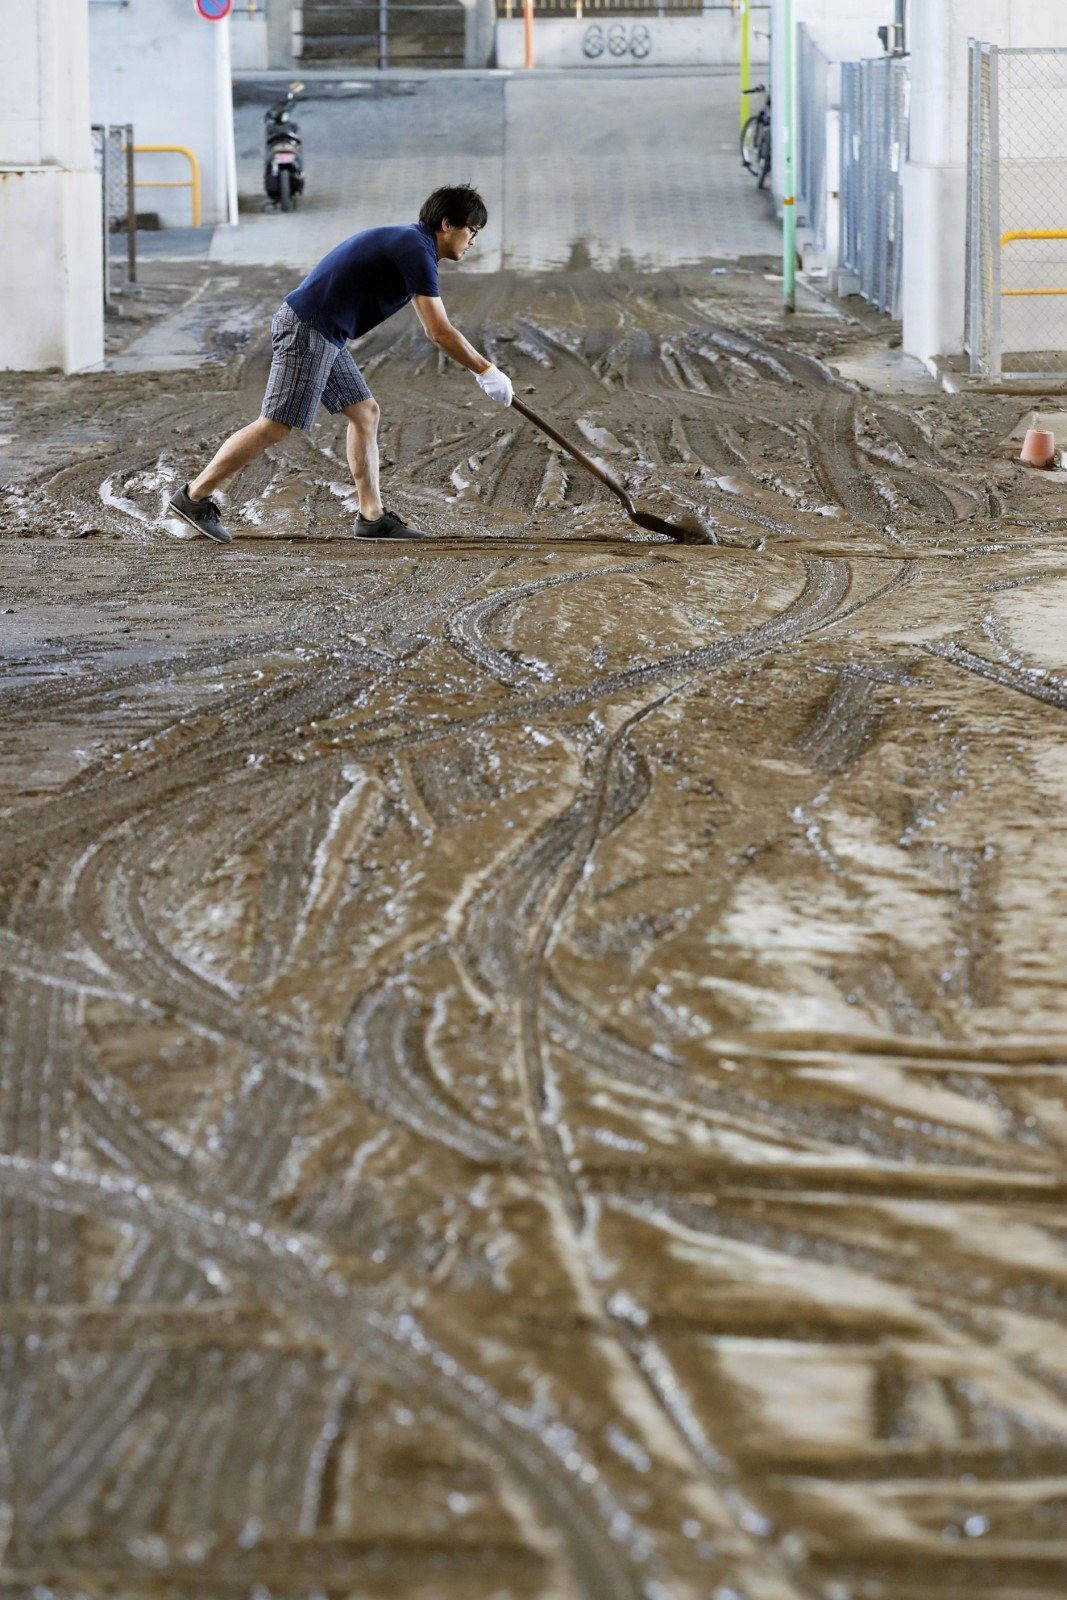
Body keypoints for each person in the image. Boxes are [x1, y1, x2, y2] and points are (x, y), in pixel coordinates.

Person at [168, 185, 513, 545]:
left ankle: (372, 516)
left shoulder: (414, 244)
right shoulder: (416, 250)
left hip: (324, 332)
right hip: (308, 328)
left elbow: (437, 327)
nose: (473, 240)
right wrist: (486, 370)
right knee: (275, 425)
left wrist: (484, 369)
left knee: (365, 412)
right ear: (447, 224)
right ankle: (193, 496)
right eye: (472, 231)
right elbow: (439, 330)